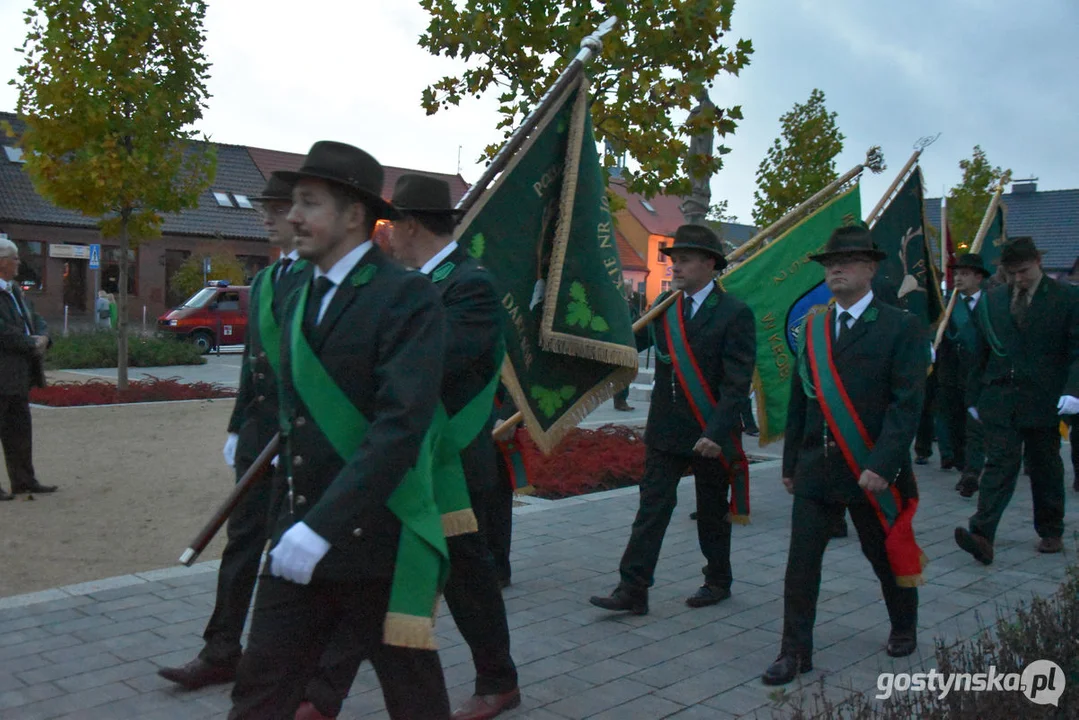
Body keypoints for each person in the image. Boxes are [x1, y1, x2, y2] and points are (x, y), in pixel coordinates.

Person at [227, 142, 451, 720]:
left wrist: (322, 527)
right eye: (293, 203)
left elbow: (399, 427)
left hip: (373, 539)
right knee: (258, 691)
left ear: (354, 214)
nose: (293, 215)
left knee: (413, 695)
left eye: (309, 202)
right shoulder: (299, 290)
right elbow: (295, 422)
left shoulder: (406, 296)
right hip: (298, 534)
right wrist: (290, 523)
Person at [298, 174, 520, 720]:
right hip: (401, 454)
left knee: (468, 576)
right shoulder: (403, 281)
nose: (385, 236)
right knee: (374, 570)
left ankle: (499, 680)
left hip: (450, 463)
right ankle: (323, 694)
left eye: (389, 224)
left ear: (411, 225)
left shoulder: (469, 283)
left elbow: (434, 361)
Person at [158, 173, 306, 690]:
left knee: (304, 548)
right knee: (243, 542)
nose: (265, 216)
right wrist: (237, 424)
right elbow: (252, 365)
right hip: (260, 434)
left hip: (307, 436)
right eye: (264, 206)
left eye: (276, 206)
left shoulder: (319, 278)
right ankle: (221, 649)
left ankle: (310, 659)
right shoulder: (266, 281)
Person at [762, 225, 927, 686]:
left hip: (871, 469)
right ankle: (794, 652)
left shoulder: (901, 326)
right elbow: (801, 400)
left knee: (882, 555)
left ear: (871, 269)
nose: (836, 268)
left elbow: (906, 404)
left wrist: (883, 463)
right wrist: (791, 461)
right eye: (831, 263)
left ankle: (903, 624)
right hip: (818, 466)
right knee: (801, 565)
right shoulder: (814, 326)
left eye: (849, 261)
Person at [589, 224, 755, 614]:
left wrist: (716, 432)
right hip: (666, 430)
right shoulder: (665, 307)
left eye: (684, 260)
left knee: (712, 512)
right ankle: (633, 588)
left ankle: (717, 580)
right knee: (651, 509)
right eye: (673, 260)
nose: (675, 267)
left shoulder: (734, 313)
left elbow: (737, 382)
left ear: (710, 264)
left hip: (709, 432)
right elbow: (632, 345)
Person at [955, 237, 1079, 565]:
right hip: (1000, 396)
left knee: (1045, 465)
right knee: (999, 463)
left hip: (1043, 397)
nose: (1019, 279)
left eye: (1024, 271)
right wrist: (973, 395)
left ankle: (1051, 529)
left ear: (1038, 262)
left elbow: (1077, 350)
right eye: (1012, 273)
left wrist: (1073, 390)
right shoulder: (994, 300)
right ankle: (982, 534)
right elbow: (979, 351)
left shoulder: (1066, 298)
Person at [0, 238, 56, 500]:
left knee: (20, 430)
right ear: (2, 262)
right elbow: (4, 332)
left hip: (19, 374)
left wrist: (44, 337)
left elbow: (35, 318)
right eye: (15, 259)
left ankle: (24, 480)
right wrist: (31, 343)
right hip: (3, 371)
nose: (19, 263)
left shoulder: (15, 291)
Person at [936, 253, 990, 497]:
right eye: (956, 274)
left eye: (965, 274)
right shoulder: (946, 304)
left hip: (979, 375)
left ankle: (972, 472)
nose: (958, 278)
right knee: (954, 424)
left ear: (979, 277)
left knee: (974, 426)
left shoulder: (991, 303)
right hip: (950, 374)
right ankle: (963, 466)